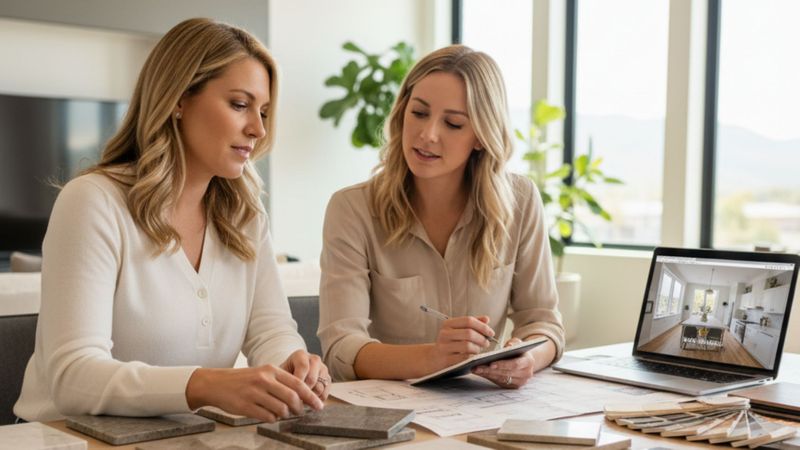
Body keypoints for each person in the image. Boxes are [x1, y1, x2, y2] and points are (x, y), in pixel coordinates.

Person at [14, 18, 330, 423]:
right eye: (239, 104)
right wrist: (207, 385)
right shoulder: (93, 202)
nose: (258, 128)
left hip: (180, 436)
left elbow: (270, 330)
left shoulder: (245, 214)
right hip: (66, 437)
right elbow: (73, 376)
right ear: (178, 99)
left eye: (264, 111)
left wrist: (294, 365)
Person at [318, 45, 565, 387]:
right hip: (389, 413)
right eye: (419, 113)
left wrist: (526, 359)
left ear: (481, 136)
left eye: (452, 123)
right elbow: (341, 348)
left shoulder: (520, 201)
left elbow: (544, 322)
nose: (427, 134)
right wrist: (432, 358)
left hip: (480, 408)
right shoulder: (352, 209)